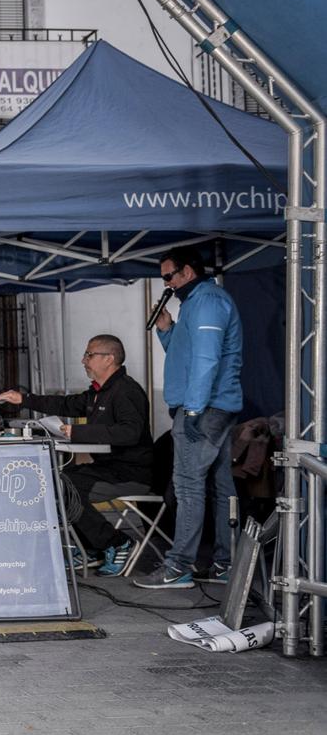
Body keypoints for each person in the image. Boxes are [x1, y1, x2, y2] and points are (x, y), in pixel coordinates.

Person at [0, 334, 152, 576]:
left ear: (109, 359)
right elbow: (66, 405)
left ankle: (117, 542)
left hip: (130, 473)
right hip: (107, 469)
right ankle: (92, 547)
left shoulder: (126, 391)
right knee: (54, 479)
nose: (83, 360)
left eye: (90, 355)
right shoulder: (98, 392)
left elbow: (130, 432)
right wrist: (24, 399)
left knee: (64, 487)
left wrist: (78, 432)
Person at [135, 247, 243, 590]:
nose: (165, 283)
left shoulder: (209, 301)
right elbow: (186, 358)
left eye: (168, 276)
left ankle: (178, 566)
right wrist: (166, 330)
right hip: (211, 406)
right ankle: (227, 564)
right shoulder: (194, 305)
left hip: (206, 407)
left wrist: (194, 408)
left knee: (188, 486)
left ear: (187, 273)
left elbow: (207, 360)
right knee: (221, 487)